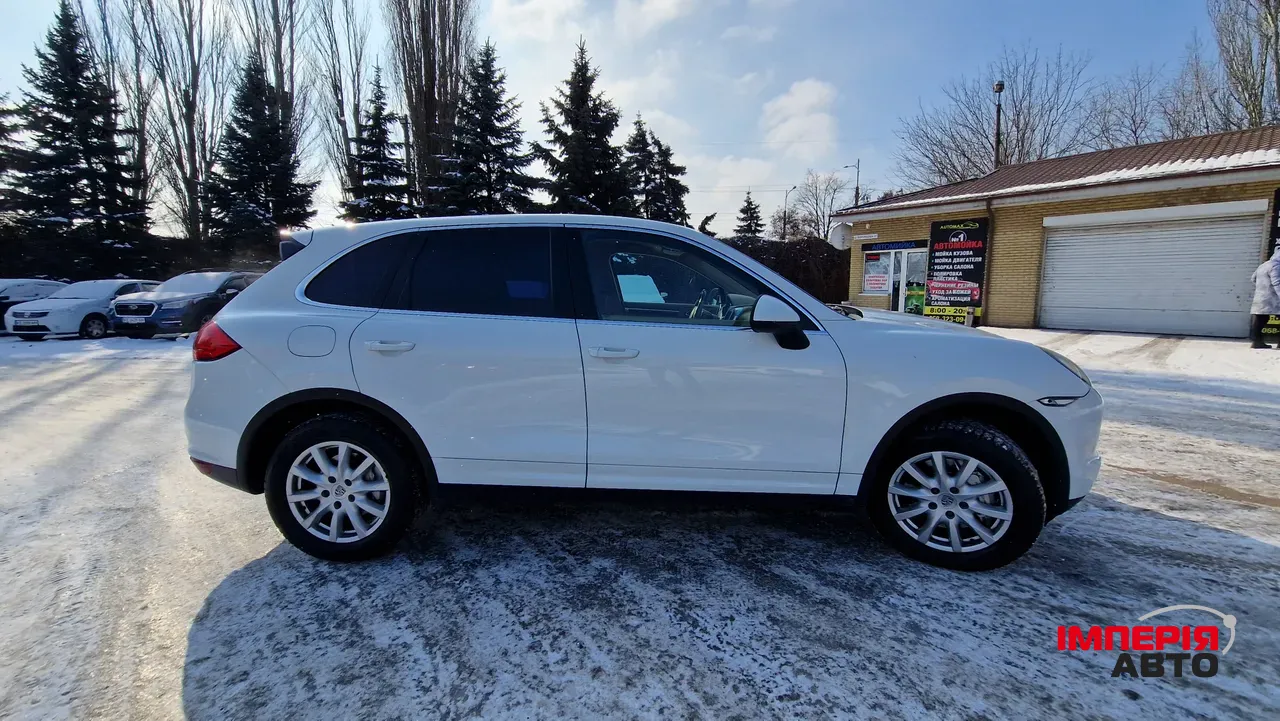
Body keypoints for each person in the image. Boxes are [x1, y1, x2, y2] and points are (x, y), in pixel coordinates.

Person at [1251, 246, 1280, 349]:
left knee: (1260, 320)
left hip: (1261, 297)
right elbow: (1277, 283)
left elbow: (1253, 278)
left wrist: (1262, 288)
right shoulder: (1276, 266)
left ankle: (1256, 342)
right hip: (1273, 298)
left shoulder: (1263, 265)